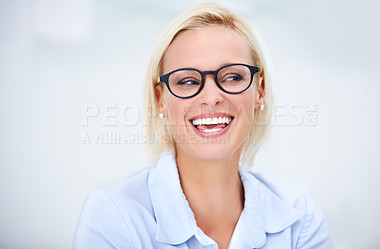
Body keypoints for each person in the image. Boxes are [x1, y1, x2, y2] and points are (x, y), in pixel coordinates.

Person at [73, 2, 332, 249]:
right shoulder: (112, 215)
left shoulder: (300, 218)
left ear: (260, 91)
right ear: (161, 99)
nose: (211, 97)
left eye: (232, 76)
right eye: (187, 81)